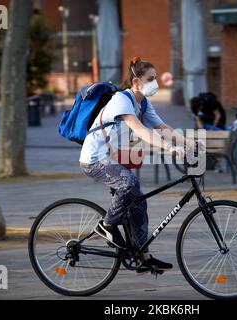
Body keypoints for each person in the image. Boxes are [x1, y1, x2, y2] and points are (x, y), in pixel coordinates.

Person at [79, 56, 193, 274]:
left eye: (156, 78)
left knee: (138, 203)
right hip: (94, 159)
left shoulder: (143, 102)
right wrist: (170, 149)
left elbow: (161, 126)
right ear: (135, 81)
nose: (155, 83)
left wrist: (189, 143)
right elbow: (141, 130)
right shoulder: (122, 99)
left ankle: (143, 256)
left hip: (111, 159)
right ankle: (107, 225)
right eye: (150, 79)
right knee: (129, 182)